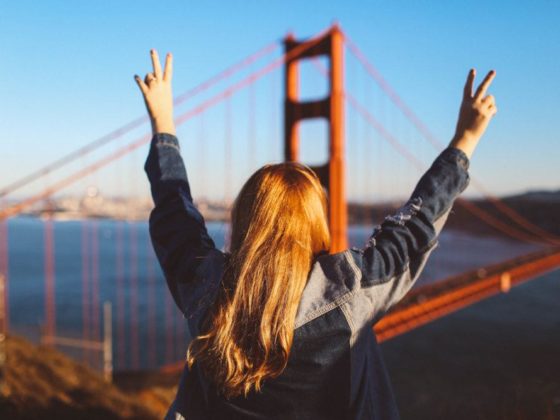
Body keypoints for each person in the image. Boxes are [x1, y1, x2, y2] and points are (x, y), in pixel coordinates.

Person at [135, 49, 497, 420]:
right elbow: (415, 226)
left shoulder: (203, 285)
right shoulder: (351, 292)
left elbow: (173, 209)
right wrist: (464, 140)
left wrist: (163, 122)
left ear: (245, 220)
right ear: (315, 222)